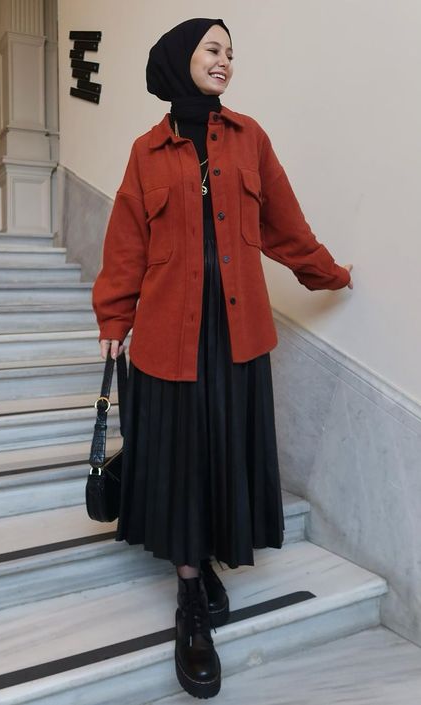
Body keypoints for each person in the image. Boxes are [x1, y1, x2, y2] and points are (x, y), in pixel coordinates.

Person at [92, 17, 353, 699]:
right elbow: (126, 243)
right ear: (182, 57)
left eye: (231, 53)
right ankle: (189, 598)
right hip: (167, 337)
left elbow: (285, 224)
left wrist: (328, 273)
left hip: (236, 333)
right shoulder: (146, 152)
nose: (225, 61)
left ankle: (204, 559)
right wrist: (114, 317)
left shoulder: (249, 138)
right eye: (213, 49)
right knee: (182, 459)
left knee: (220, 453)